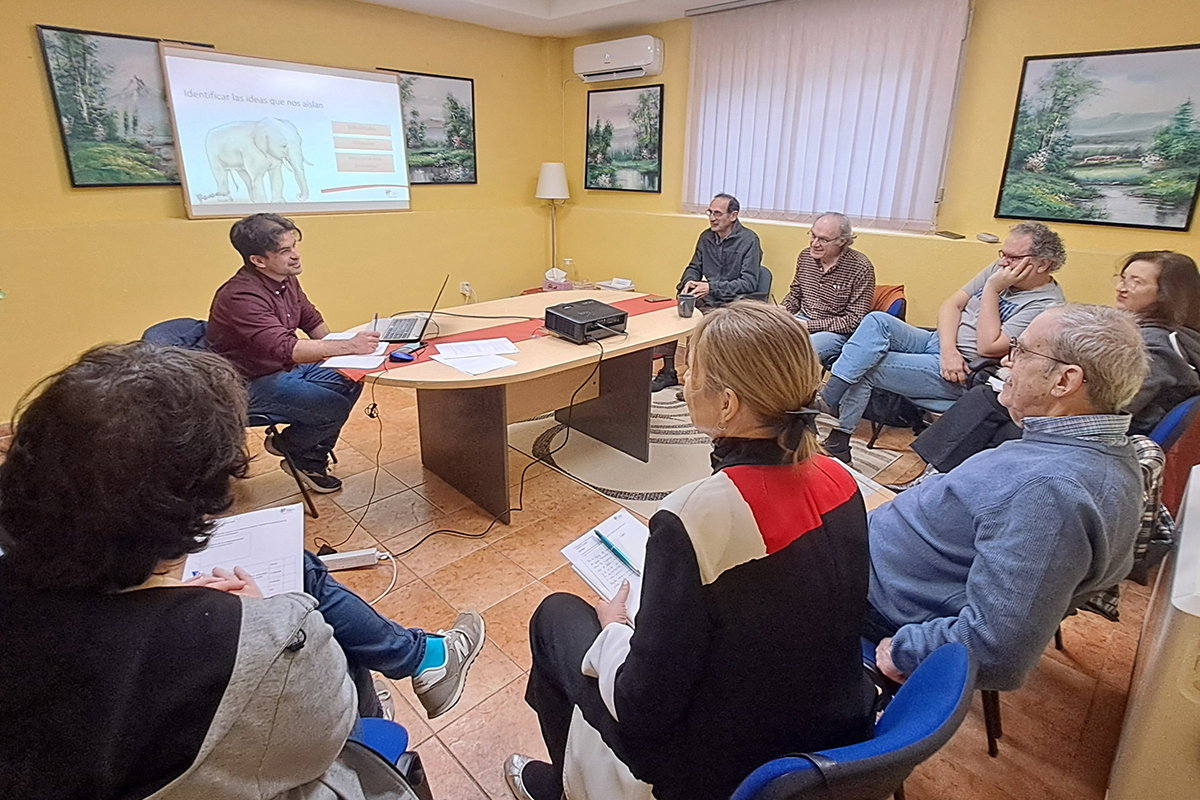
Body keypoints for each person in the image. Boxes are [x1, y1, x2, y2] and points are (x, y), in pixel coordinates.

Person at [0, 342, 483, 799]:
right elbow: (323, 741)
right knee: (317, 625)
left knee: (298, 568)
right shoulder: (265, 640)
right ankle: (411, 669)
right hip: (297, 754)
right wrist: (264, 621)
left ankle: (420, 658)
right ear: (194, 508)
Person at [506, 302, 875, 800]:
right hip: (827, 731)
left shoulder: (692, 516)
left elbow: (641, 706)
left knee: (556, 617)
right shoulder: (841, 479)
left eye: (692, 370)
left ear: (727, 404)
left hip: (718, 765)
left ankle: (571, 787)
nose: (682, 379)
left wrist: (614, 630)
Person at [864, 304, 1148, 691]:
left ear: (1064, 381)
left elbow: (998, 650)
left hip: (870, 600)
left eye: (1022, 351)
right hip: (881, 567)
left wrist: (905, 650)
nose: (1006, 361)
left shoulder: (1050, 492)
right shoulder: (1102, 452)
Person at [897, 250, 1200, 485]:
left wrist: (1035, 385)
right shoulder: (1145, 332)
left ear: (1168, 294)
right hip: (1087, 417)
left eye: (1137, 282)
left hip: (1098, 439)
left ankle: (936, 483)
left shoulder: (1160, 346)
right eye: (1123, 278)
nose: (1123, 288)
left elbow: (1110, 403)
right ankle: (935, 481)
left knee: (989, 402)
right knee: (989, 395)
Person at [813, 221, 1066, 463]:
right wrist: (948, 349)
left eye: (1013, 257)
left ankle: (838, 438)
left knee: (866, 367)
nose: (1003, 262)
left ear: (1043, 264)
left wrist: (991, 290)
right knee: (877, 320)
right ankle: (830, 398)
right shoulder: (1000, 271)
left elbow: (988, 346)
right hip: (942, 345)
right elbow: (950, 306)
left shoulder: (1044, 304)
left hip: (962, 370)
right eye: (1003, 254)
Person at [207, 212, 381, 493]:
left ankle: (304, 452)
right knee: (331, 407)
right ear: (258, 260)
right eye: (285, 251)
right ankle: (298, 451)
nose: (296, 255)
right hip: (247, 384)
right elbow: (286, 349)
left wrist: (348, 357)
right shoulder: (240, 296)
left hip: (281, 370)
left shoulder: (284, 279)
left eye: (294, 246)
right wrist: (350, 346)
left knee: (352, 375)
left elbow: (311, 320)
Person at [651, 194, 764, 392]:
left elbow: (749, 282)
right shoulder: (706, 237)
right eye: (710, 212)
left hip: (731, 303)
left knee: (701, 326)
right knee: (671, 314)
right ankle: (668, 371)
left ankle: (699, 381)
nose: (712, 218)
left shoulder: (749, 240)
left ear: (733, 215)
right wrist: (688, 282)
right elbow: (694, 267)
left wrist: (711, 286)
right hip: (707, 298)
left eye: (718, 214)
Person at [780, 212, 876, 364]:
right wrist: (783, 310)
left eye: (823, 240)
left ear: (842, 241)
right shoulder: (805, 257)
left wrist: (810, 326)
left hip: (835, 332)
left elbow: (854, 320)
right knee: (762, 340)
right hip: (802, 319)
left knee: (797, 352)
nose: (815, 244)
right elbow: (796, 295)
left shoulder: (860, 267)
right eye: (813, 235)